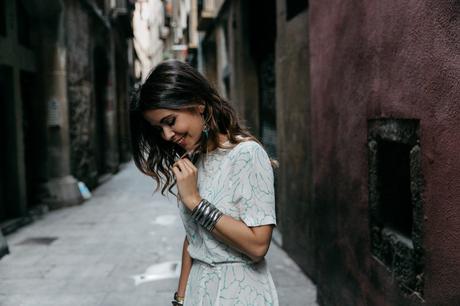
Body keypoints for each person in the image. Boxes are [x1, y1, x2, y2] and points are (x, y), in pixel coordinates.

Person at [130, 60, 279, 306]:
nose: (167, 135)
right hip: (198, 291)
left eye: (170, 121)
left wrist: (195, 202)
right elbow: (193, 238)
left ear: (198, 104)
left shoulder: (246, 154)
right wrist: (180, 299)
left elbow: (258, 245)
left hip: (240, 293)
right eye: (159, 129)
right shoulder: (195, 160)